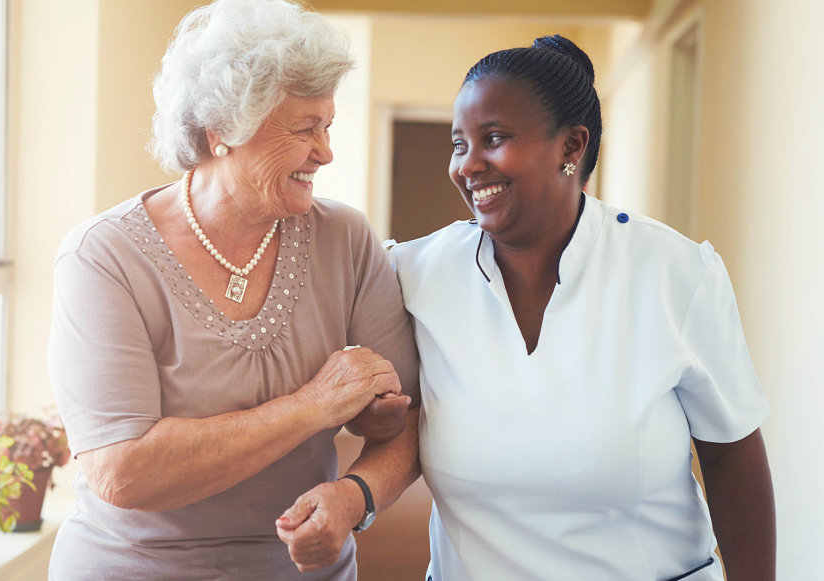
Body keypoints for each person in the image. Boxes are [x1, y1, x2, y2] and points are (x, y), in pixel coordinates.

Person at [46, 1, 420, 578]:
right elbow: (124, 472)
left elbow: (413, 420)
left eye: (328, 126)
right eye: (304, 129)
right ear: (221, 131)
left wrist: (353, 498)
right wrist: (313, 406)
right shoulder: (104, 256)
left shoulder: (344, 237)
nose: (325, 152)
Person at [388, 35, 773, 579]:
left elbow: (732, 456)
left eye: (493, 139)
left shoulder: (673, 273)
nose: (468, 166)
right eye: (459, 144)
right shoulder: (415, 274)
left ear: (572, 147)